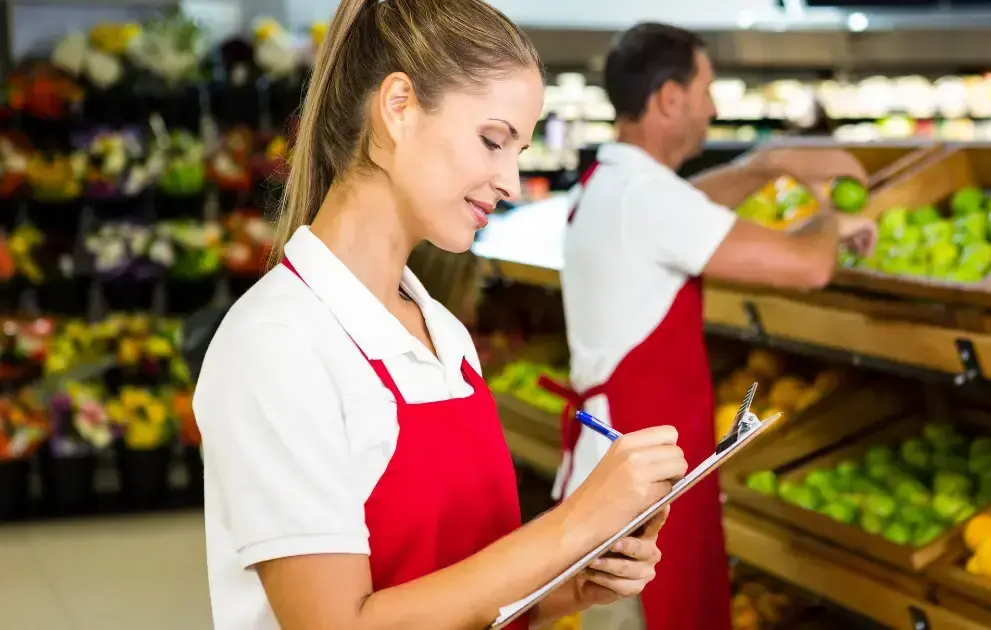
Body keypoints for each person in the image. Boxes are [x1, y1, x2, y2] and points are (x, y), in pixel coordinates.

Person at [192, 2, 689, 629]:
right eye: (492, 140)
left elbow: (456, 581)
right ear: (398, 106)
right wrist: (571, 526)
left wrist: (573, 579)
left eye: (520, 150)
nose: (510, 180)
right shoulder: (279, 344)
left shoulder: (442, 332)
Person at [546, 22, 877, 630]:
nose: (714, 106)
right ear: (670, 98)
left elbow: (690, 201)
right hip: (638, 486)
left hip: (622, 463)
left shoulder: (611, 182)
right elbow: (808, 266)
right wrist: (834, 207)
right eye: (706, 89)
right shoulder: (645, 196)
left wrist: (767, 164)